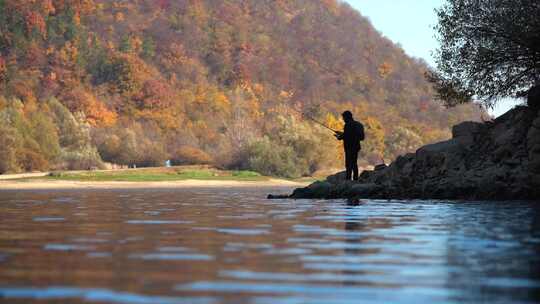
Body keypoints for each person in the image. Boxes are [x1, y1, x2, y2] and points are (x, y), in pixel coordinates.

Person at [335, 111, 364, 181]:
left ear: (347, 117)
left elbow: (347, 136)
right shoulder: (358, 124)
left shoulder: (347, 125)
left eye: (344, 118)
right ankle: (355, 179)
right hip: (356, 147)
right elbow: (351, 135)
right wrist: (342, 134)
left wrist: (340, 137)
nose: (343, 119)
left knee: (348, 164)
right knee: (354, 163)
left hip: (349, 147)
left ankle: (348, 180)